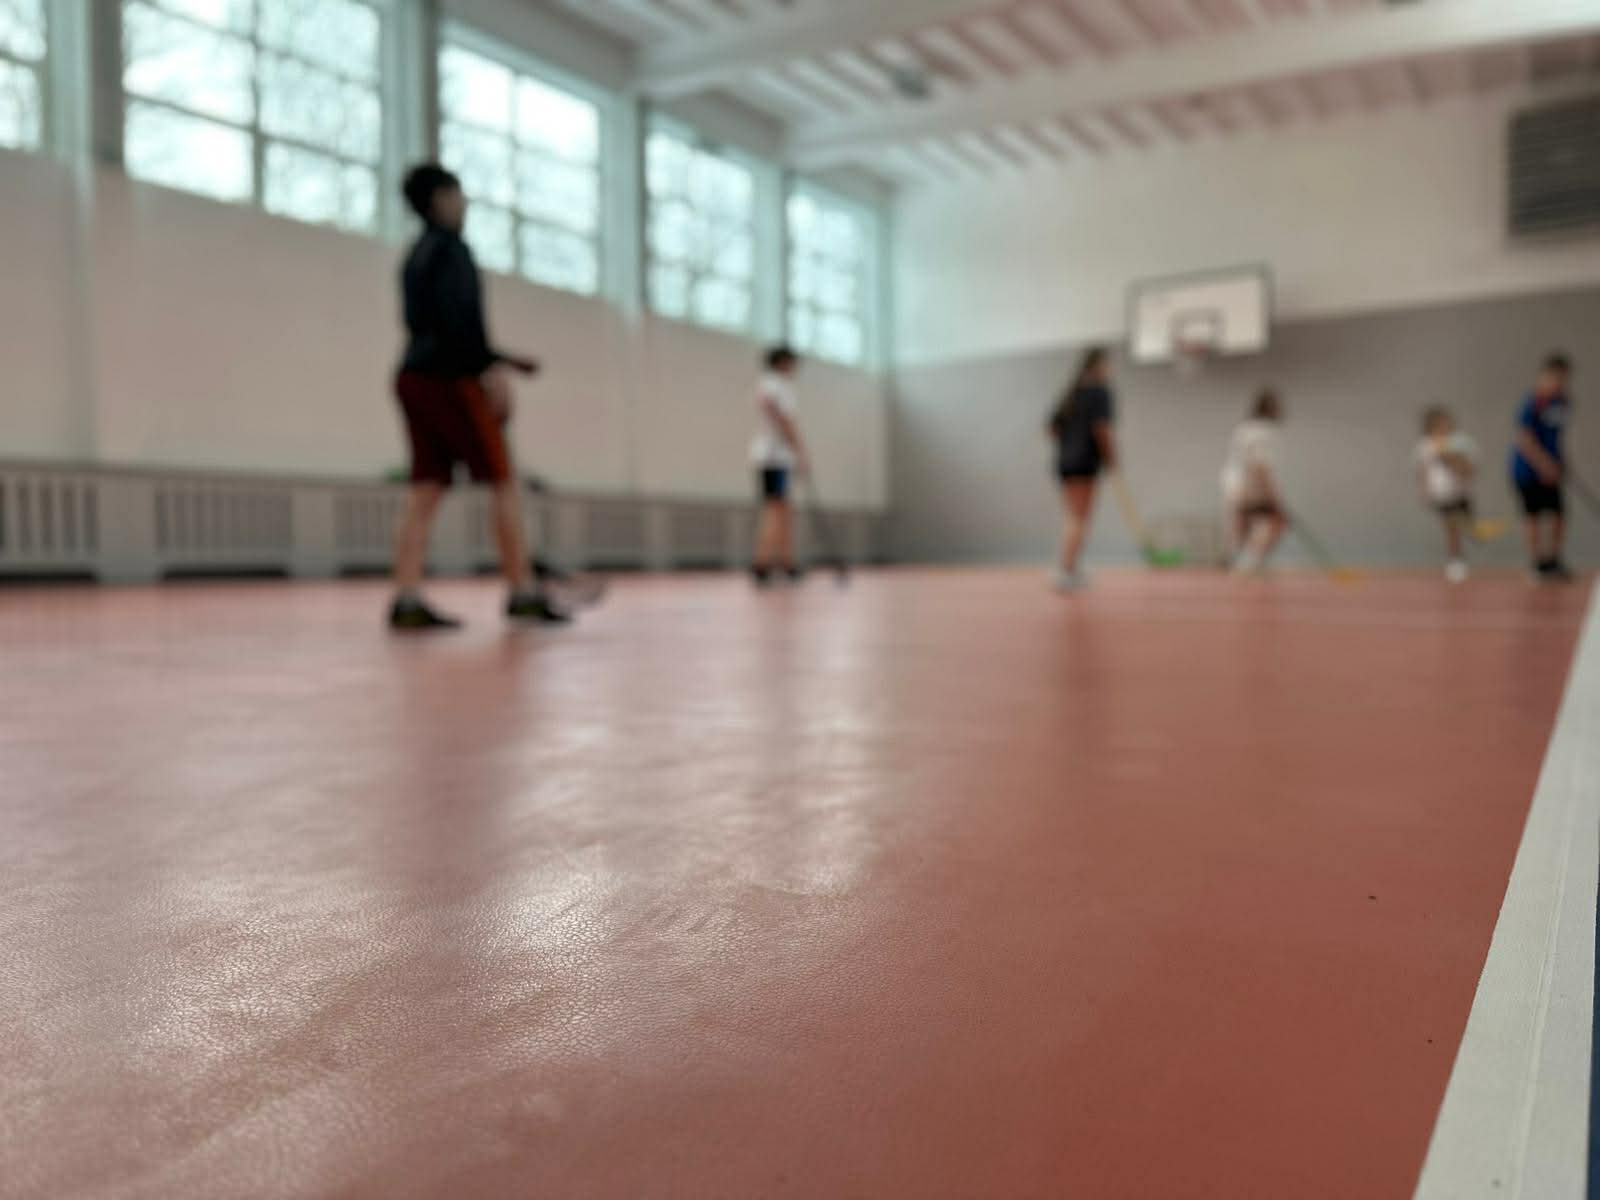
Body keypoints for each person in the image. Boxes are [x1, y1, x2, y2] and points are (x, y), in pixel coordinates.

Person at [387, 163, 569, 630]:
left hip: (412, 376)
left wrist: (497, 359)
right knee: (503, 481)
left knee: (425, 488)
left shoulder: (415, 256)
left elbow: (424, 324)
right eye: (458, 194)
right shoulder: (453, 250)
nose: (464, 203)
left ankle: (406, 597)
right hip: (450, 380)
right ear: (440, 200)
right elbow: (459, 322)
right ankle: (523, 591)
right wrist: (487, 369)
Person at [1046, 346, 1118, 591]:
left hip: (1064, 463)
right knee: (1079, 517)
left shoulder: (1071, 394)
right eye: (1108, 365)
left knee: (1073, 516)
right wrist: (1111, 458)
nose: (1110, 370)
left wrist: (1070, 441)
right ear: (1098, 365)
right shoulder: (1099, 392)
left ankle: (1070, 566)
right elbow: (1102, 429)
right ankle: (1065, 570)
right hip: (1084, 463)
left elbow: (1051, 429)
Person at [1510, 353, 1574, 583]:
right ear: (1545, 375)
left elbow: (1556, 436)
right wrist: (1544, 464)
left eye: (1564, 378)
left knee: (1559, 515)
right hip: (1527, 471)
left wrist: (1560, 462)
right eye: (1555, 377)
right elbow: (1524, 439)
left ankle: (1552, 561)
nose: (1560, 382)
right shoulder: (1534, 401)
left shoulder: (1563, 402)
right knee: (1533, 517)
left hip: (1552, 469)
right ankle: (1535, 563)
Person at [750, 346, 808, 585]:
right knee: (777, 509)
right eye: (792, 363)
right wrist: (800, 451)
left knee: (781, 508)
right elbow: (785, 420)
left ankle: (785, 562)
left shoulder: (765, 384)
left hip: (767, 457)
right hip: (777, 459)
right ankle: (764, 563)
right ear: (783, 362)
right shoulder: (780, 386)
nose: (794, 368)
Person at [1221, 390, 1287, 573]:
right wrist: (1275, 498)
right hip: (1252, 487)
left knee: (1243, 529)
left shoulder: (1243, 429)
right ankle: (1247, 566)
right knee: (1275, 523)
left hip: (1232, 486)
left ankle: (1237, 562)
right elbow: (1261, 466)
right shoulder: (1264, 432)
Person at [1415, 407, 1482, 584]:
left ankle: (1469, 536)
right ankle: (1456, 560)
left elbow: (1469, 467)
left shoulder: (1460, 442)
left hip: (1461, 491)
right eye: (1438, 424)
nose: (1442, 427)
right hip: (1442, 493)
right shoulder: (1425, 445)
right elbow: (1423, 469)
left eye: (1444, 422)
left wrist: (1448, 457)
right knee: (1451, 525)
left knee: (1467, 526)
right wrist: (1424, 490)